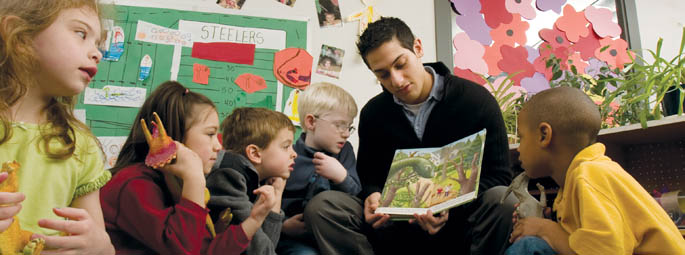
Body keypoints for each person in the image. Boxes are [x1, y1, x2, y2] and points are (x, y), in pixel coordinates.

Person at [305, 17, 516, 255]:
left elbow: (499, 177)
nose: (396, 80)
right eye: (383, 74)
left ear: (417, 48)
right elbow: (369, 176)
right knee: (323, 207)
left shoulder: (476, 101)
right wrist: (372, 195)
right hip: (395, 227)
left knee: (503, 200)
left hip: (461, 221)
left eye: (400, 64)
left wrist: (447, 206)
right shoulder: (374, 113)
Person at [101, 81, 274, 254]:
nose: (218, 146)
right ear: (174, 136)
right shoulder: (135, 184)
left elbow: (205, 250)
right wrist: (195, 178)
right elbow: (184, 250)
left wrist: (255, 219)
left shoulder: (174, 183)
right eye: (210, 134)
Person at [506, 86, 685, 254]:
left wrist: (545, 229)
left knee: (528, 247)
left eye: (521, 137)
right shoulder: (576, 180)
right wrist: (546, 227)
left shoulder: (590, 175)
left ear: (544, 135)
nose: (519, 148)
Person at [0, 0, 115, 253]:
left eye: (98, 44)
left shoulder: (80, 145)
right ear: (20, 37)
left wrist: (101, 246)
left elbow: (99, 243)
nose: (97, 53)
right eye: (81, 34)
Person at [277, 82, 361, 255]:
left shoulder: (345, 152)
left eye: (349, 126)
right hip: (295, 239)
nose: (345, 133)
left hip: (332, 234)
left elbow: (356, 196)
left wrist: (341, 177)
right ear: (311, 122)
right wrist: (283, 225)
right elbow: (271, 200)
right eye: (339, 125)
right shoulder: (288, 155)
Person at [207, 107, 297, 255]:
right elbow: (259, 249)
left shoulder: (254, 178)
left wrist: (277, 192)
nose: (294, 154)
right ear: (255, 153)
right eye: (286, 147)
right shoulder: (229, 176)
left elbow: (267, 243)